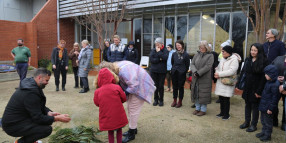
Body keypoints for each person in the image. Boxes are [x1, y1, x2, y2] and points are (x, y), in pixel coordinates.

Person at [1, 68, 71, 143]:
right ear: (39, 77)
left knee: (41, 123)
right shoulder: (31, 93)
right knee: (46, 129)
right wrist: (56, 118)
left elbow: (38, 105)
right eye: (46, 80)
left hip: (18, 120)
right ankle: (20, 142)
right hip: (12, 126)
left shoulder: (32, 85)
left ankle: (30, 138)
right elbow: (38, 118)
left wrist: (48, 112)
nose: (47, 83)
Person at [98, 61, 156, 143]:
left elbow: (134, 86)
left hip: (140, 86)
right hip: (134, 85)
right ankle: (133, 129)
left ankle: (131, 134)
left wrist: (122, 95)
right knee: (129, 107)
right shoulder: (116, 67)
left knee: (133, 109)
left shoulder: (124, 71)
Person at [236, 43, 268, 132]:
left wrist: (259, 91)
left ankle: (253, 125)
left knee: (255, 107)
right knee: (247, 105)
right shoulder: (248, 59)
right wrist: (239, 84)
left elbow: (263, 78)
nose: (252, 52)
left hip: (257, 87)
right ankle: (247, 122)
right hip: (248, 86)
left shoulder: (264, 61)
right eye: (251, 50)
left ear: (259, 51)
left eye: (255, 50)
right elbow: (243, 73)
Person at [94, 68, 128, 143]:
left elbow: (97, 103)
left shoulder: (98, 91)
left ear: (99, 79)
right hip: (118, 114)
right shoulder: (117, 87)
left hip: (107, 114)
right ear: (111, 76)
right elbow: (124, 98)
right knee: (119, 130)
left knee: (110, 131)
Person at [263, 29, 286, 127]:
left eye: (268, 32)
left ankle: (284, 123)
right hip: (269, 75)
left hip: (280, 73)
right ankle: (273, 121)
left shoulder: (280, 44)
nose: (266, 34)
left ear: (273, 35)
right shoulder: (264, 45)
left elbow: (282, 59)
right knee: (273, 100)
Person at [214, 45, 240, 120]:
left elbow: (232, 71)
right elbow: (218, 67)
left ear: (228, 52)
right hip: (220, 80)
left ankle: (226, 114)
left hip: (228, 82)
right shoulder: (223, 58)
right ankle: (222, 112)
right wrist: (216, 72)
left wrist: (219, 74)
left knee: (226, 99)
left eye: (223, 51)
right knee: (221, 98)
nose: (222, 53)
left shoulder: (234, 60)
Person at [256, 65, 280, 142]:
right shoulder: (268, 82)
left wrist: (270, 108)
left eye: (267, 74)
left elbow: (275, 99)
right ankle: (263, 132)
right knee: (263, 120)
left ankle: (267, 135)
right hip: (264, 105)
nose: (265, 75)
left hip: (268, 108)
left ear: (272, 74)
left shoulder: (275, 85)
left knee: (268, 122)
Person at [191, 40, 214, 116]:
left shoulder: (210, 56)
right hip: (195, 77)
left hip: (205, 78)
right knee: (196, 92)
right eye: (200, 47)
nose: (201, 49)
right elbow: (192, 64)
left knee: (203, 93)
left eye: (202, 47)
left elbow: (208, 66)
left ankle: (203, 109)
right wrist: (195, 72)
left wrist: (199, 73)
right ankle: (197, 108)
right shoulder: (196, 54)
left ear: (206, 47)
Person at [149, 37, 168, 106]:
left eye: (157, 44)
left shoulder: (165, 50)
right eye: (155, 44)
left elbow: (165, 58)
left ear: (161, 44)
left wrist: (159, 52)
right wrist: (159, 59)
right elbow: (151, 60)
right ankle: (155, 99)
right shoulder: (153, 50)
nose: (156, 46)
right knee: (155, 86)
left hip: (162, 71)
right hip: (154, 71)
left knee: (161, 86)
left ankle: (161, 100)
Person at [170, 40, 190, 108]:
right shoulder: (174, 54)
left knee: (180, 87)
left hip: (182, 73)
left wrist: (184, 70)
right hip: (174, 72)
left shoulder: (186, 54)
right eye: (176, 45)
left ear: (182, 45)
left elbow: (187, 64)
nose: (178, 46)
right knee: (174, 87)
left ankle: (180, 101)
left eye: (179, 45)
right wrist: (173, 69)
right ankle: (174, 100)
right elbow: (172, 63)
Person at [271, 54, 286, 131]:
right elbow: (271, 69)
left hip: (285, 87)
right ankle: (274, 120)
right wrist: (276, 77)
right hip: (276, 85)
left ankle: (284, 122)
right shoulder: (278, 58)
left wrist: (285, 79)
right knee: (274, 102)